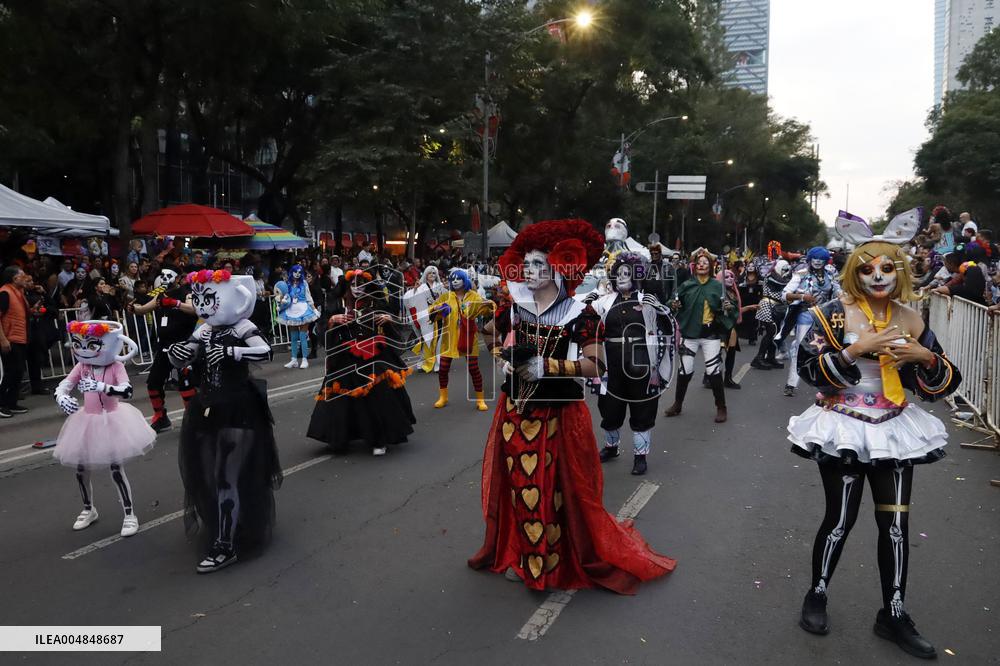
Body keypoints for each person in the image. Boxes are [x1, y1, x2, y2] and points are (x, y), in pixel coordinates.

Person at [469, 218, 675, 592]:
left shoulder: (581, 314)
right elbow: (487, 334)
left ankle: (548, 561)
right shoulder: (513, 308)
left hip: (557, 414)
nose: (528, 271)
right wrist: (502, 358)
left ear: (558, 269)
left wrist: (548, 366)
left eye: (537, 264)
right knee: (519, 487)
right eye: (526, 264)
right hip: (514, 411)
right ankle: (525, 554)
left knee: (554, 491)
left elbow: (596, 365)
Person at [788, 218, 961, 659]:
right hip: (843, 426)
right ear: (854, 272)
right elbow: (809, 370)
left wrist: (925, 356)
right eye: (867, 269)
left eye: (887, 268)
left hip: (894, 429)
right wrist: (854, 350)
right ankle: (817, 595)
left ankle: (894, 615)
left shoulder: (911, 318)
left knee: (896, 526)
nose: (878, 276)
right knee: (840, 519)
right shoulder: (832, 313)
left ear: (900, 270)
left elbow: (942, 383)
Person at [167, 270, 281, 573]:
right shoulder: (204, 329)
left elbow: (265, 352)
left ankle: (225, 545)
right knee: (206, 474)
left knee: (225, 475)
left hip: (238, 407)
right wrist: (177, 355)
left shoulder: (243, 326)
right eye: (199, 300)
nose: (203, 307)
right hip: (205, 407)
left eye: (209, 300)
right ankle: (226, 527)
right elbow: (185, 356)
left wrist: (233, 351)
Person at [52, 320, 155, 537]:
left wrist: (101, 386)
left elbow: (127, 391)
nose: (83, 350)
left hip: (112, 420)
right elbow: (64, 385)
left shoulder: (116, 366)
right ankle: (88, 509)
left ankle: (129, 514)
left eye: (91, 345)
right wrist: (61, 397)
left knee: (116, 469)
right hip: (86, 422)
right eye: (78, 345)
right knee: (81, 470)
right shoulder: (83, 366)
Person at [306, 268, 416, 456]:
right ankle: (339, 437)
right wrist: (332, 320)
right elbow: (321, 328)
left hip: (373, 353)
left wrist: (389, 319)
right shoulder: (338, 304)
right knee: (339, 394)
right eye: (354, 285)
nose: (358, 288)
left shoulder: (376, 302)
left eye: (362, 285)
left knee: (378, 392)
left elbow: (395, 324)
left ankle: (379, 439)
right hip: (345, 355)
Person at [591, 252, 676, 475]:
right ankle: (611, 447)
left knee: (642, 409)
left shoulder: (646, 300)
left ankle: (640, 457)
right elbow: (582, 317)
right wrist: (589, 301)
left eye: (626, 273)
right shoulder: (605, 301)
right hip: (611, 365)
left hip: (641, 365)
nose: (621, 277)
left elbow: (669, 326)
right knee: (610, 408)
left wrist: (660, 309)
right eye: (618, 273)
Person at [663, 249, 736, 423]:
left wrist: (728, 306)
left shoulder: (717, 286)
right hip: (689, 334)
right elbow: (671, 302)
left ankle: (721, 407)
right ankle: (677, 404)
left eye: (705, 262)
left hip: (710, 334)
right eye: (699, 262)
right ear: (694, 266)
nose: (702, 265)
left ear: (711, 266)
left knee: (713, 371)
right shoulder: (687, 285)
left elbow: (730, 307)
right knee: (684, 370)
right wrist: (673, 304)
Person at [131, 268, 198, 432]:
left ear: (177, 278)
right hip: (164, 346)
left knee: (185, 382)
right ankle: (161, 418)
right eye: (161, 275)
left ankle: (193, 419)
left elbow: (194, 309)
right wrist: (133, 308)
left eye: (168, 275)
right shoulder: (160, 295)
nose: (164, 278)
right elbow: (144, 309)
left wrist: (176, 303)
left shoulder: (186, 292)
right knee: (153, 382)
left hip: (183, 345)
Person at [428, 268, 495, 411]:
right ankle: (443, 397)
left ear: (464, 280)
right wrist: (439, 309)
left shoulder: (474, 296)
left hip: (469, 337)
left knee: (474, 369)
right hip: (449, 338)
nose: (455, 281)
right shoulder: (446, 296)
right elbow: (432, 310)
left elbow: (487, 309)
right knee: (443, 368)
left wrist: (489, 305)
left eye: (458, 278)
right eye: (452, 279)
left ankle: (480, 399)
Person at [779, 247, 841, 397]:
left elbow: (838, 290)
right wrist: (801, 297)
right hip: (806, 315)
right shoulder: (801, 274)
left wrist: (842, 295)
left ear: (825, 261)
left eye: (821, 259)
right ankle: (791, 384)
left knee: (828, 350)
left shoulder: (831, 273)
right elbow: (784, 295)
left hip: (825, 318)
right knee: (801, 348)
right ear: (810, 260)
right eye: (815, 258)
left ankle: (827, 384)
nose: (818, 262)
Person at [274, 263, 321, 369]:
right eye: (295, 272)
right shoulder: (287, 284)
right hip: (291, 310)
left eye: (300, 272)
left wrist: (314, 309)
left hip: (303, 310)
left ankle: (304, 359)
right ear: (292, 272)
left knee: (303, 336)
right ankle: (294, 359)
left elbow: (309, 297)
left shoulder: (304, 283)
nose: (297, 274)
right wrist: (280, 300)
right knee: (294, 336)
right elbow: (283, 296)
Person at [0, 266, 31, 418]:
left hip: (19, 338)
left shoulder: (18, 292)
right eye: (23, 276)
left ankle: (11, 403)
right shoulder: (5, 293)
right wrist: (3, 339)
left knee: (18, 372)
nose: (26, 278)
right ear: (15, 278)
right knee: (11, 372)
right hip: (10, 338)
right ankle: (1, 404)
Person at [750, 259, 792, 370]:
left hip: (777, 308)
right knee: (771, 332)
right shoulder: (771, 277)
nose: (786, 271)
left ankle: (770, 357)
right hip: (767, 306)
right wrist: (794, 279)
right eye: (784, 269)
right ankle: (759, 358)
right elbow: (781, 284)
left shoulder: (783, 278)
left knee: (775, 333)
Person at [738, 262, 762, 345]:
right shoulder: (742, 278)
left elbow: (762, 290)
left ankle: (752, 338)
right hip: (744, 302)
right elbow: (738, 289)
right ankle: (742, 335)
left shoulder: (759, 279)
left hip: (755, 302)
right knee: (744, 320)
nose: (751, 267)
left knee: (754, 321)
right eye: (749, 266)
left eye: (753, 266)